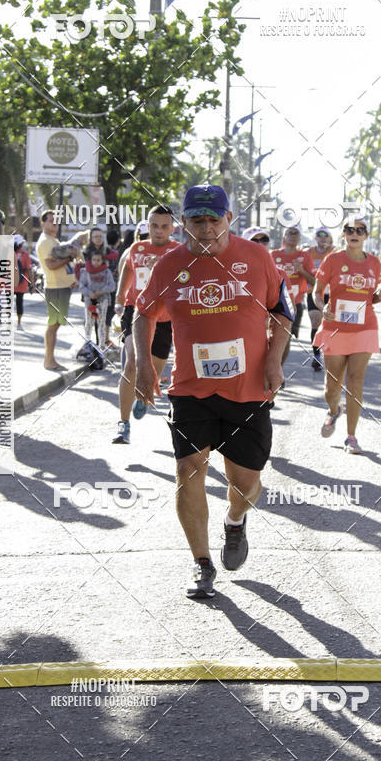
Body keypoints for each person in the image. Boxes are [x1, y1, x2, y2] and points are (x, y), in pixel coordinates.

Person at [134, 184, 293, 599]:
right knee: (189, 470)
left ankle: (235, 521)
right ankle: (201, 563)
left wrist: (274, 359)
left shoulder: (257, 258)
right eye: (196, 221)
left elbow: (282, 312)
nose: (205, 230)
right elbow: (142, 314)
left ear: (229, 220)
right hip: (191, 390)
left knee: (245, 485)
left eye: (213, 220)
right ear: (183, 222)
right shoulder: (170, 265)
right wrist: (142, 365)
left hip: (248, 389)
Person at [313, 218, 381, 455]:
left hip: (365, 327)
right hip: (335, 329)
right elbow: (317, 293)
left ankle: (351, 437)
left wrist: (380, 297)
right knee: (332, 387)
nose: (355, 233)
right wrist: (323, 306)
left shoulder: (374, 263)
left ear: (366, 235)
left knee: (355, 381)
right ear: (344, 234)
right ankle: (334, 410)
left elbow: (369, 297)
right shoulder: (333, 260)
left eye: (360, 230)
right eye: (350, 230)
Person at [112, 208, 178, 444]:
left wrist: (163, 265)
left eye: (164, 226)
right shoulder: (137, 248)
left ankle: (144, 392)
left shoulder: (178, 252)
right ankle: (123, 424)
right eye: (154, 226)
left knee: (154, 372)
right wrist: (120, 296)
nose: (158, 231)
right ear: (147, 226)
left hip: (164, 316)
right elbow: (128, 268)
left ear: (172, 228)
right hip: (135, 309)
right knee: (132, 363)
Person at [36, 209, 85, 372]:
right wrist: (70, 257)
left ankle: (50, 359)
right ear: (42, 223)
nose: (54, 223)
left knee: (55, 324)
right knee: (53, 324)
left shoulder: (52, 240)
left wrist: (71, 279)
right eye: (50, 220)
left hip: (61, 287)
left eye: (56, 220)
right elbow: (50, 264)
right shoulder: (45, 241)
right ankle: (49, 360)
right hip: (55, 288)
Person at [270, 227, 315, 365]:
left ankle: (278, 369)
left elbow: (314, 281)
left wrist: (301, 270)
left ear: (300, 239)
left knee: (285, 338)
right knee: (270, 338)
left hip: (294, 303)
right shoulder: (273, 254)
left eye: (296, 234)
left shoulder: (304, 256)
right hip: (273, 303)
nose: (293, 236)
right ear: (283, 237)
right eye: (290, 233)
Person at [307, 226, 335, 371]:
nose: (322, 237)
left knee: (330, 324)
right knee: (316, 321)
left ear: (329, 238)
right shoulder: (308, 252)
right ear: (315, 237)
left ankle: (332, 355)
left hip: (332, 293)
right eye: (319, 234)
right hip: (314, 291)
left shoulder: (335, 252)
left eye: (325, 235)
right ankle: (317, 356)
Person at [78, 251, 116, 346]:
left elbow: (112, 285)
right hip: (89, 300)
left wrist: (102, 291)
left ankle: (101, 345)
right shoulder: (85, 271)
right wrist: (90, 293)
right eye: (94, 260)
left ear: (102, 260)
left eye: (98, 260)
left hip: (102, 300)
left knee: (102, 323)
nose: (96, 262)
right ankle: (88, 343)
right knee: (89, 322)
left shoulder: (106, 272)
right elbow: (81, 286)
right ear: (90, 260)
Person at [14, 234, 33, 329]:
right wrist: (32, 284)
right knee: (19, 303)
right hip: (21, 283)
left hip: (8, 283)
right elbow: (29, 270)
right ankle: (18, 323)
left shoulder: (8, 253)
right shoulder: (25, 255)